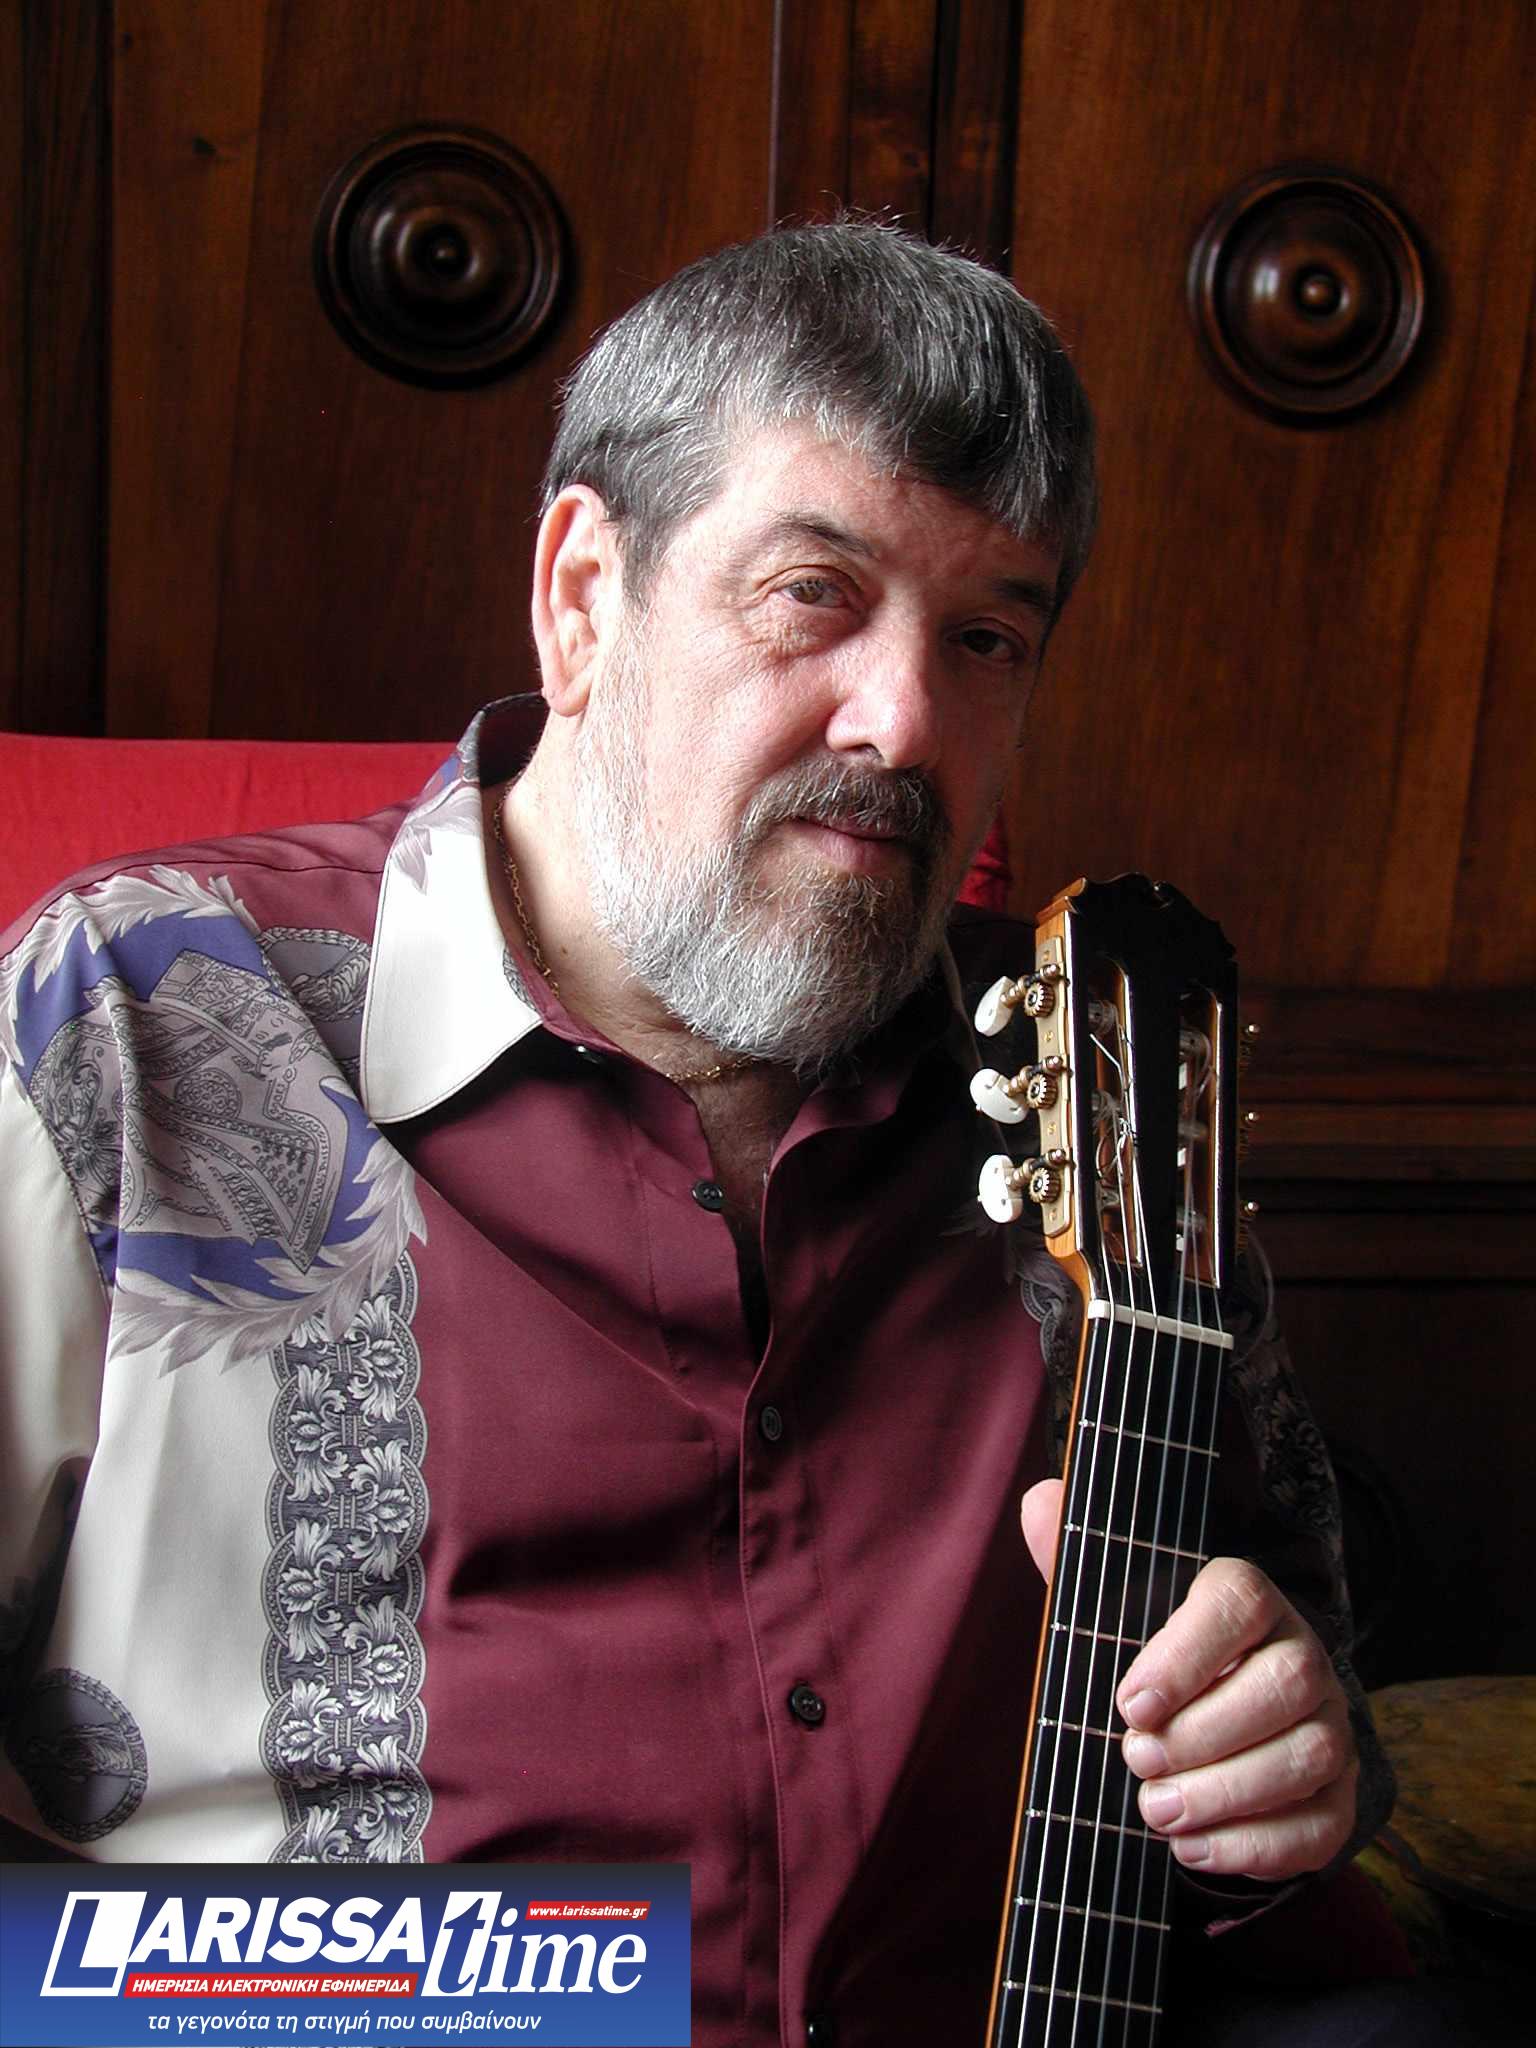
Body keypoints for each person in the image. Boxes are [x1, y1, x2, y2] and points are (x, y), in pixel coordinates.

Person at [0, 221, 1472, 2045]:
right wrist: (488, 1994)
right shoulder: (135, 1019)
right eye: (813, 594)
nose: (905, 722)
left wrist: (1279, 1774)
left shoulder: (1096, 1087)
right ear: (582, 600)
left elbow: (1291, 1722)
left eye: (988, 637)